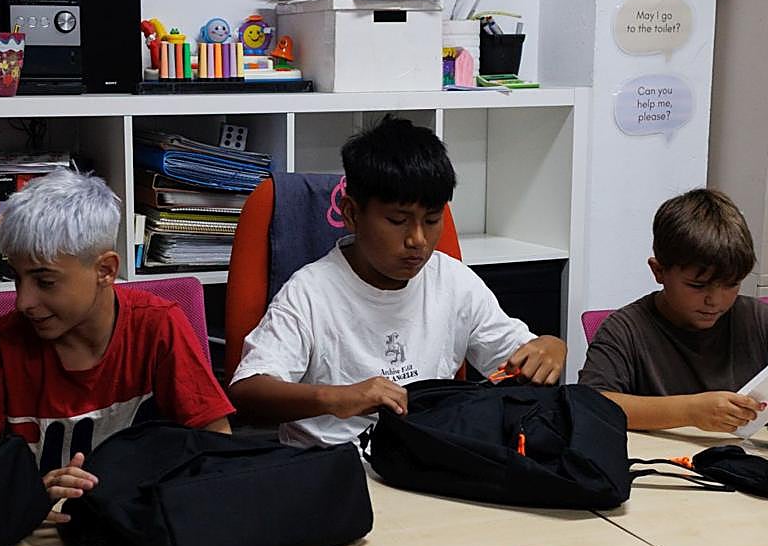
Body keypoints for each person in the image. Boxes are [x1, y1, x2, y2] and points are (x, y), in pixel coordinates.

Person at [229, 116, 566, 448]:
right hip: (334, 466)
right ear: (351, 214)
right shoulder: (311, 292)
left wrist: (550, 348)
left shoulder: (453, 281)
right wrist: (336, 398)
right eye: (397, 220)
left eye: (432, 220)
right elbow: (248, 392)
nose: (417, 240)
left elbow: (518, 360)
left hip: (428, 461)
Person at [0, 170, 234, 520]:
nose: (23, 301)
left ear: (106, 270)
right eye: (17, 277)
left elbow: (217, 446)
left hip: (140, 530)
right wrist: (28, 498)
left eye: (45, 281)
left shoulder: (158, 326)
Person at [579, 188, 768, 432]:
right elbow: (590, 405)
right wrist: (689, 411)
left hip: (753, 463)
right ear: (658, 271)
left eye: (731, 284)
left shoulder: (762, 321)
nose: (715, 300)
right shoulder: (625, 330)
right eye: (697, 285)